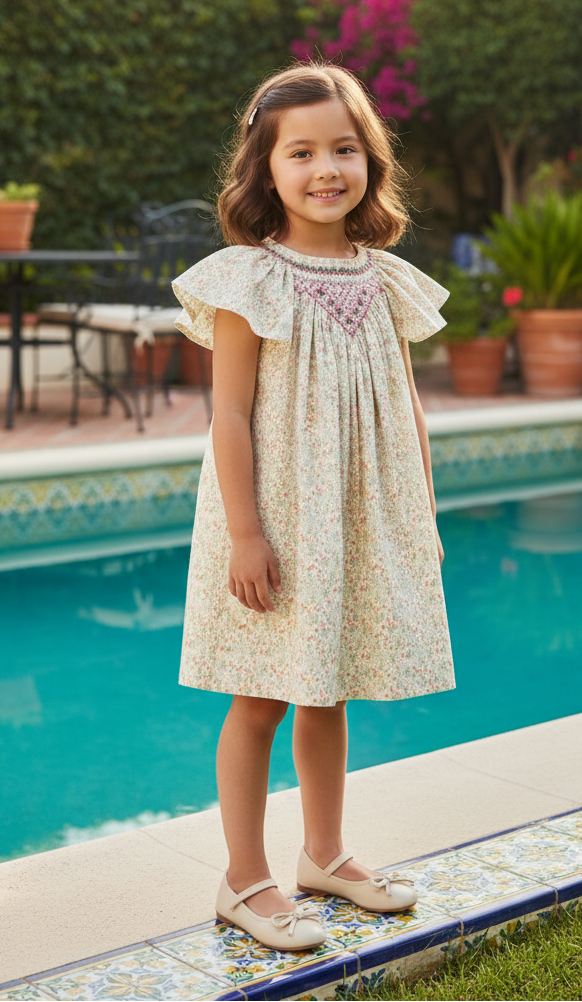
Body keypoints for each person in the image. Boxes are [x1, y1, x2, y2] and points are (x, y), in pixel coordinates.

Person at [172, 62, 455, 952]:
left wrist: (426, 517)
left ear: (370, 160)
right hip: (280, 522)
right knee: (261, 699)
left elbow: (406, 402)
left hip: (356, 521)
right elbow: (228, 413)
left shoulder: (386, 279)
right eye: (302, 152)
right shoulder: (246, 279)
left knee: (327, 692)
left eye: (344, 149)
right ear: (266, 169)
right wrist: (247, 533)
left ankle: (324, 854)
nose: (326, 168)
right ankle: (243, 878)